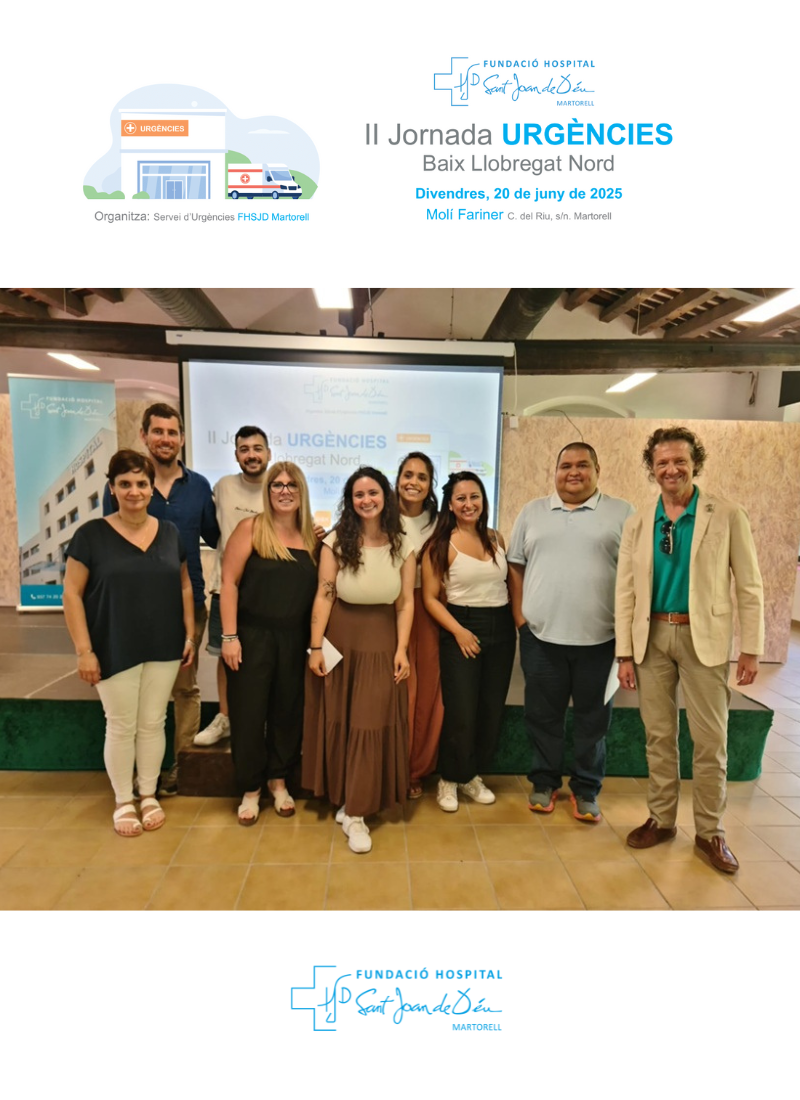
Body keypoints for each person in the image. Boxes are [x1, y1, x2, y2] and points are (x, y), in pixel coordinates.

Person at [616, 426, 764, 874]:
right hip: (652, 639)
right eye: (662, 462)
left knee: (710, 741)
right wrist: (624, 653)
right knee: (659, 736)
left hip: (706, 641)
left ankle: (710, 832)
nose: (671, 469)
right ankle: (662, 820)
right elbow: (625, 590)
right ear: (652, 468)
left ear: (694, 463)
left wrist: (752, 649)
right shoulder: (639, 521)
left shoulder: (727, 514)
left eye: (679, 460)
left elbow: (750, 585)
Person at [63, 450, 195, 836]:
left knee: (153, 722)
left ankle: (148, 793)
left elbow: (184, 585)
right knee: (121, 725)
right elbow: (71, 594)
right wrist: (84, 651)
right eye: (125, 484)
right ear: (112, 488)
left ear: (152, 488)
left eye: (141, 483)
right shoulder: (90, 536)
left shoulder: (169, 533)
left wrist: (189, 633)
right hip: (113, 644)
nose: (134, 491)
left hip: (164, 644)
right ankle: (124, 800)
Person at [507, 443, 634, 822]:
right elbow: (516, 567)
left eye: (582, 465)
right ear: (555, 471)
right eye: (565, 465)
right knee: (542, 716)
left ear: (597, 470)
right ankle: (544, 783)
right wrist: (521, 620)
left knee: (593, 721)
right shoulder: (532, 512)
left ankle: (586, 789)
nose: (573, 472)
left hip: (602, 641)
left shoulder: (623, 513)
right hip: (541, 639)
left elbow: (635, 574)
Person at [103, 403, 219, 796]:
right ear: (144, 435)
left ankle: (181, 767)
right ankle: (137, 771)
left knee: (184, 689)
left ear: (182, 438)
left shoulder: (200, 487)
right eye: (158, 431)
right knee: (136, 690)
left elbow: (217, 536)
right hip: (133, 607)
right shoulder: (127, 485)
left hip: (189, 602)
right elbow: (108, 540)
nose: (165, 439)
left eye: (172, 432)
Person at [303, 466, 415, 854]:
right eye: (358, 495)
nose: (366, 500)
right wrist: (316, 647)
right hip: (341, 638)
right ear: (350, 502)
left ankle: (356, 811)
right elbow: (324, 594)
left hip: (382, 640)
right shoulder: (336, 540)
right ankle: (350, 802)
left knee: (369, 721)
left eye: (373, 493)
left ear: (386, 496)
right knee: (344, 719)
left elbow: (406, 602)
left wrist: (402, 649)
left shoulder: (403, 542)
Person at [220, 461, 318, 824]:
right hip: (251, 638)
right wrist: (230, 636)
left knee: (287, 713)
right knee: (248, 714)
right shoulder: (251, 529)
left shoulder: (312, 538)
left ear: (302, 492)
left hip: (294, 640)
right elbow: (228, 583)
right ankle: (250, 789)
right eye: (277, 485)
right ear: (268, 490)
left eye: (292, 485)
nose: (285, 491)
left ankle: (278, 781)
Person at [421, 471, 515, 813]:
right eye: (461, 498)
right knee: (461, 709)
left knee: (490, 709)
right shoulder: (439, 544)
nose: (468, 503)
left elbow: (507, 584)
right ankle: (449, 778)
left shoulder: (495, 538)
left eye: (474, 496)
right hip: (461, 626)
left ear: (483, 500)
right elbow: (430, 598)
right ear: (450, 504)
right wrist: (459, 631)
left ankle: (470, 776)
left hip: (501, 629)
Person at [194, 426, 271, 748]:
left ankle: (265, 722)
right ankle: (225, 717)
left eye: (257, 448)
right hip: (224, 589)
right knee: (226, 656)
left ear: (268, 453)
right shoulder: (223, 487)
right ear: (236, 454)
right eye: (244, 449)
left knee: (265, 660)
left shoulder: (279, 486)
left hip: (267, 592)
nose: (251, 455)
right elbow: (212, 530)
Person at [395, 451, 444, 799]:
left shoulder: (441, 523)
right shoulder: (379, 515)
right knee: (394, 691)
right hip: (389, 610)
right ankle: (389, 765)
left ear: (430, 485)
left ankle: (415, 769)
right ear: (398, 479)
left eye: (422, 477)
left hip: (428, 613)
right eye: (408, 475)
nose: (413, 482)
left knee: (426, 693)